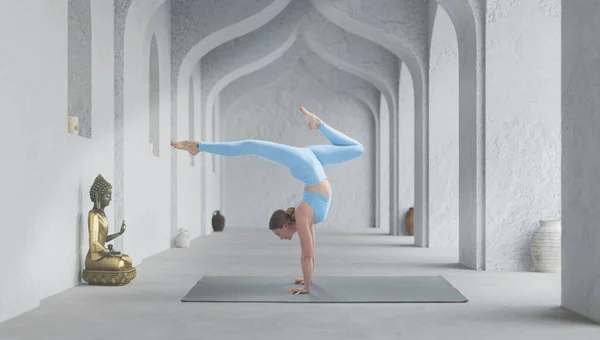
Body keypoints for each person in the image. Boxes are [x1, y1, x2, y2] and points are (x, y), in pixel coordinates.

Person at [170, 105, 364, 295]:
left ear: (286, 225)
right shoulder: (304, 216)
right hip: (312, 161)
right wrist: (308, 280)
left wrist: (307, 288)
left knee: (251, 145)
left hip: (305, 162)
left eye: (279, 234)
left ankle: (198, 146)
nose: (281, 238)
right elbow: (310, 252)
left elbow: (306, 254)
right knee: (357, 149)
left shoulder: (302, 215)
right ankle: (318, 124)